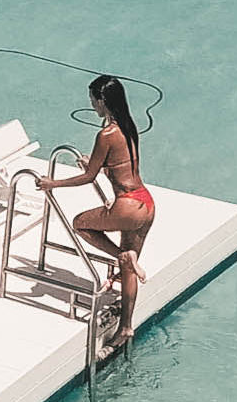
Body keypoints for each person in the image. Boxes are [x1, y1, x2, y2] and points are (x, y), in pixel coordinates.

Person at [36, 74, 156, 356]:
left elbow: (88, 178)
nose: (92, 105)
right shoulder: (128, 127)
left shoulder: (105, 134)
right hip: (146, 204)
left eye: (93, 100)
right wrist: (95, 164)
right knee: (128, 270)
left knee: (80, 224)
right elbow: (120, 166)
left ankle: (122, 257)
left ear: (102, 100)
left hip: (126, 206)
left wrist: (52, 184)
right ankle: (126, 328)